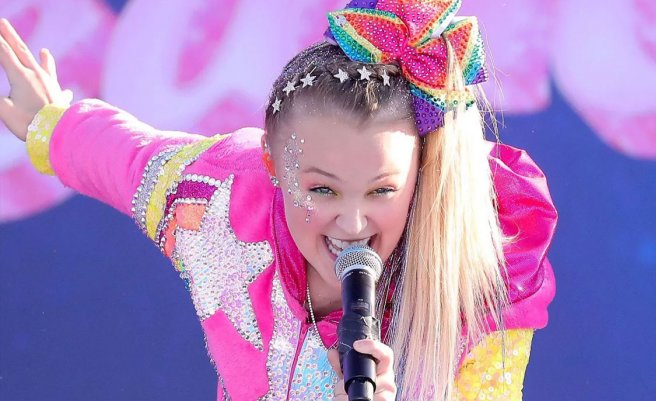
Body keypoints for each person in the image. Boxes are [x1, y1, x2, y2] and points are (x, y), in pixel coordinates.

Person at [0, 1, 557, 400]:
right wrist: (51, 122)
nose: (353, 222)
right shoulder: (216, 203)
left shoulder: (479, 277)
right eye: (322, 189)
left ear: (419, 175)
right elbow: (125, 157)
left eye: (382, 191)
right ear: (271, 162)